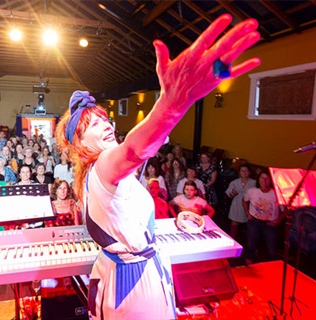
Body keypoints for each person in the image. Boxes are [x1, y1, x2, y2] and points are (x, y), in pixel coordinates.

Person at [54, 14, 260, 319]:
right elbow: (137, 148)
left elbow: (139, 159)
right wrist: (171, 102)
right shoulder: (103, 166)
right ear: (82, 146)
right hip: (134, 288)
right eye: (94, 125)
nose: (106, 125)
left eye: (103, 118)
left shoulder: (96, 176)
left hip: (121, 277)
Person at [243, 170, 283, 264]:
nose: (264, 180)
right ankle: (249, 264)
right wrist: (247, 213)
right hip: (254, 221)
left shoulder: (276, 194)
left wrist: (278, 220)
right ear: (258, 179)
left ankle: (272, 266)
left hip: (270, 224)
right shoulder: (252, 191)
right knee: (250, 245)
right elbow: (244, 200)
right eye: (262, 178)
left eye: (267, 178)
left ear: (271, 180)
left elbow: (285, 210)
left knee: (271, 249)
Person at [225, 164, 256, 240]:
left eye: (246, 171)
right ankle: (232, 239)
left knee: (250, 224)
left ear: (249, 172)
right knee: (234, 224)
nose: (244, 172)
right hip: (237, 203)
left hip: (249, 204)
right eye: (242, 171)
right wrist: (232, 193)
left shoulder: (254, 182)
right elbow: (228, 192)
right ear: (239, 172)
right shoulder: (235, 182)